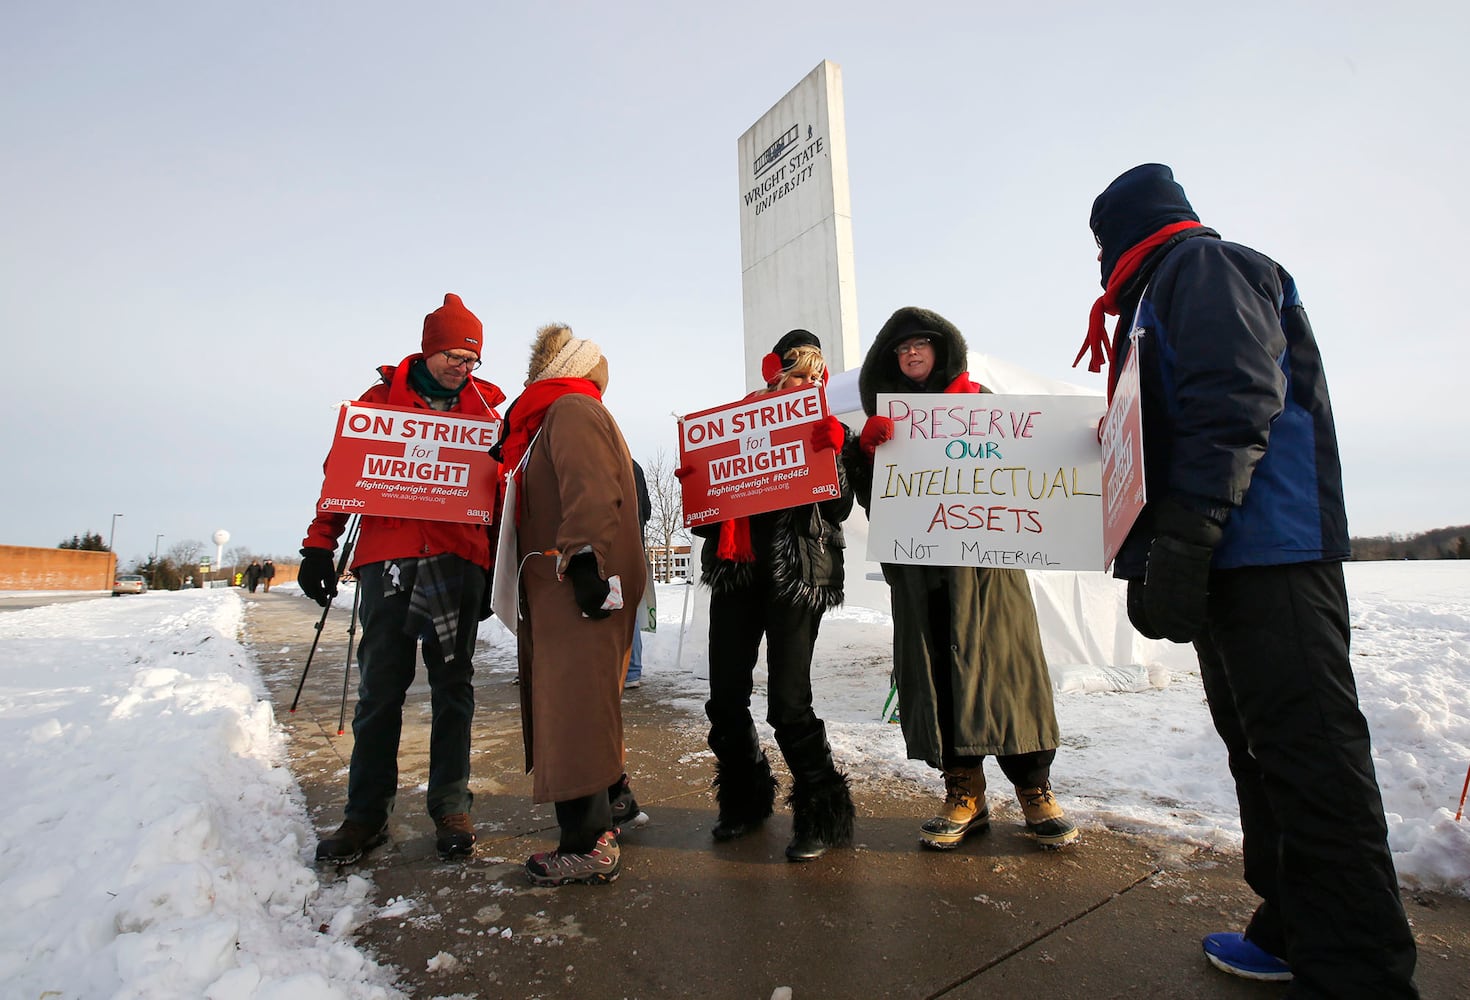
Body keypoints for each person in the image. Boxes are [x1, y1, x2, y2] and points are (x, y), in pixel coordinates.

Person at [1078, 164, 1417, 996]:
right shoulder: (1161, 295)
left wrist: (1188, 532)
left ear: (1128, 230)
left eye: (1098, 244)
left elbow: (1234, 394)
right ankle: (1299, 925)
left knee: (1312, 759)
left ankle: (1361, 973)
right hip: (1231, 556)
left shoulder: (1205, 266)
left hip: (1272, 552)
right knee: (1260, 755)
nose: (1096, 263)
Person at [843, 307, 1078, 851]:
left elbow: (1033, 470)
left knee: (1010, 674)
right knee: (938, 681)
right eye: (901, 350)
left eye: (921, 344)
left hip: (989, 574)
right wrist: (865, 456)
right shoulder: (889, 423)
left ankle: (1035, 791)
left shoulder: (982, 407)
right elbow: (881, 508)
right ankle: (964, 793)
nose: (912, 355)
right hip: (923, 577)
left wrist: (1080, 439)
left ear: (942, 350)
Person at [298, 292, 505, 865]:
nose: (462, 369)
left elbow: (501, 490)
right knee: (381, 689)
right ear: (430, 348)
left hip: (457, 557)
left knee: (453, 687)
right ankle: (365, 814)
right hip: (388, 554)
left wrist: (494, 565)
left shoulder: (488, 411)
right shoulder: (378, 402)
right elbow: (345, 471)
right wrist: (320, 543)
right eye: (454, 357)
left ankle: (450, 805)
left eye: (472, 360)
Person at [686, 329, 856, 862]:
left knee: (788, 703)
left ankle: (821, 811)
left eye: (815, 376)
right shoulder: (734, 426)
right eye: (798, 373)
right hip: (737, 575)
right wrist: (697, 482)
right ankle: (745, 798)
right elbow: (704, 521)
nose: (807, 384)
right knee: (725, 699)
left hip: (797, 578)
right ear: (775, 374)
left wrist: (834, 459)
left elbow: (841, 509)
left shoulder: (830, 428)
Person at [492, 324, 647, 886]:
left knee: (571, 703)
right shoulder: (555, 416)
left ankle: (587, 842)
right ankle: (612, 798)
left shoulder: (569, 411)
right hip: (557, 580)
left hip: (572, 579)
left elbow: (591, 485)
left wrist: (583, 558)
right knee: (585, 696)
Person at [624, 460, 652, 690]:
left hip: (614, 548)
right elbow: (648, 511)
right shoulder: (636, 467)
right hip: (637, 548)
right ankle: (633, 670)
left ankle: (622, 668)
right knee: (630, 609)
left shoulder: (600, 460)